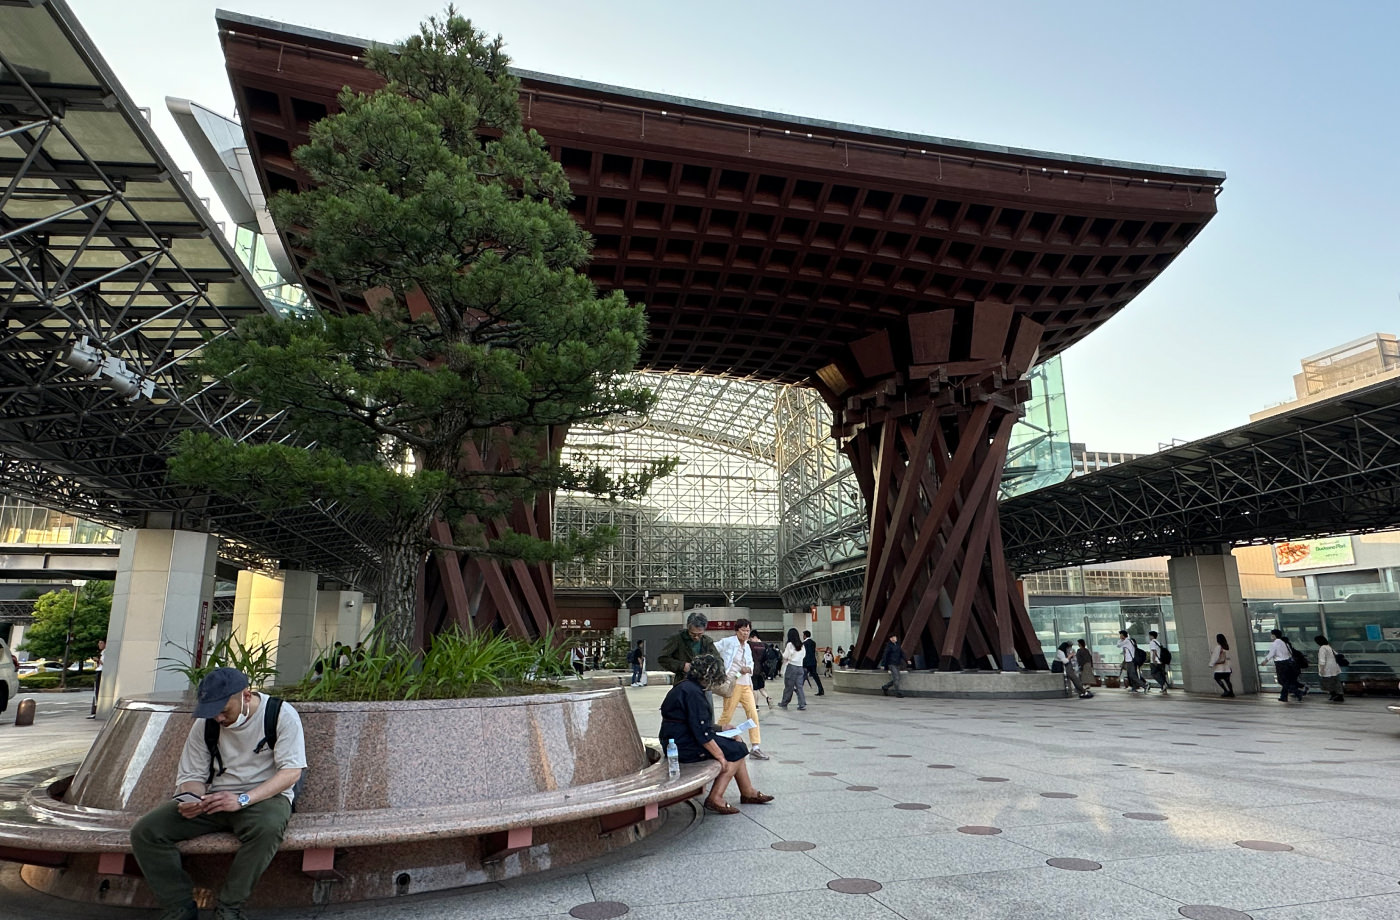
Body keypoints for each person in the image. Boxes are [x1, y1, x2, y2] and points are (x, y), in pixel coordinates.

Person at [129, 668, 307, 920]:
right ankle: (178, 907)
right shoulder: (206, 724)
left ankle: (229, 908)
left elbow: (291, 773)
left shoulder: (280, 714)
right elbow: (192, 777)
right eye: (213, 712)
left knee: (268, 828)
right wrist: (190, 800)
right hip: (214, 799)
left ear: (246, 696)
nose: (219, 719)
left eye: (225, 711)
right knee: (146, 832)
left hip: (264, 797)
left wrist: (242, 800)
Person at [658, 653, 773, 815]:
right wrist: (720, 757)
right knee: (736, 749)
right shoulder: (694, 694)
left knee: (737, 745)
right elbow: (702, 734)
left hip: (676, 740)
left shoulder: (685, 686)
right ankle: (716, 797)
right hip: (683, 745)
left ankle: (748, 791)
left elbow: (694, 723)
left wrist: (721, 729)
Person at [714, 620, 769, 760]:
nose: (745, 633)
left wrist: (748, 669)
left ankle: (755, 746)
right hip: (732, 684)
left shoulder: (748, 647)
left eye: (747, 630)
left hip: (746, 684)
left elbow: (750, 664)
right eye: (743, 630)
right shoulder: (728, 642)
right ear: (737, 630)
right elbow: (713, 649)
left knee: (753, 714)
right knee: (727, 714)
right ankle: (715, 742)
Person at [658, 612, 719, 680]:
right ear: (688, 628)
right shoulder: (677, 639)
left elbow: (718, 660)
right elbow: (662, 659)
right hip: (683, 680)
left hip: (703, 681)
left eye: (699, 634)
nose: (696, 637)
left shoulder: (707, 641)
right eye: (692, 634)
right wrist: (682, 666)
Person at [1263, 628, 1306, 702]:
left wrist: (1265, 661)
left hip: (1280, 664)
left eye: (1271, 635)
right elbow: (1290, 653)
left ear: (1274, 635)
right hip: (1288, 663)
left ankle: (1298, 692)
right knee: (1286, 680)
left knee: (1282, 681)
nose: (1270, 636)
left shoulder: (1274, 644)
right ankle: (1284, 696)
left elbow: (1271, 653)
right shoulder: (1285, 643)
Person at [778, 628, 807, 710]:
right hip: (800, 667)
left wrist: (783, 654)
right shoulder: (802, 645)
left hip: (791, 667)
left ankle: (784, 702)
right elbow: (804, 655)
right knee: (799, 687)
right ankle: (802, 703)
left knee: (788, 686)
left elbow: (785, 656)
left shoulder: (790, 644)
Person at [1315, 635, 1344, 702]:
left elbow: (1322, 660)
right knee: (1336, 682)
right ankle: (1339, 695)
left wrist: (1321, 670)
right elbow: (1336, 655)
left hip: (1327, 669)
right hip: (1334, 667)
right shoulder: (1329, 647)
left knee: (1328, 683)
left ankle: (1333, 694)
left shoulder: (1322, 648)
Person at [747, 630, 772, 708]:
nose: (750, 640)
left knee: (754, 689)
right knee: (761, 687)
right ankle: (768, 697)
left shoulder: (750, 645)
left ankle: (756, 705)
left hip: (753, 669)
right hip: (762, 670)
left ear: (754, 637)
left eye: (750, 638)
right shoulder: (764, 646)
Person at [802, 630, 825, 696]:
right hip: (813, 661)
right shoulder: (813, 642)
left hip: (806, 662)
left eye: (803, 635)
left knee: (803, 676)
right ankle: (821, 689)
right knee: (815, 676)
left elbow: (804, 654)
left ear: (805, 635)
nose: (803, 636)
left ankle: (799, 689)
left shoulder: (804, 644)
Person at [87, 637, 106, 718]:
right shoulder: (102, 653)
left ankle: (97, 709)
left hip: (101, 672)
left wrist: (98, 660)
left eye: (101, 643)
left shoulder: (106, 653)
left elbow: (105, 664)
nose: (99, 645)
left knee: (98, 691)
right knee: (96, 691)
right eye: (99, 643)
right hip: (98, 671)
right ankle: (95, 710)